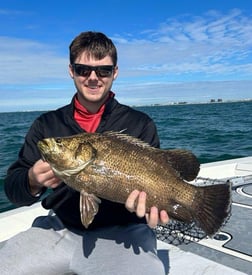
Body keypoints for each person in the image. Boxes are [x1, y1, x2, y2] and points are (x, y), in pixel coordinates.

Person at [1, 31, 169, 275]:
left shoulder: (140, 124)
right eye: (83, 69)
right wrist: (32, 180)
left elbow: (155, 178)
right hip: (59, 227)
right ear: (71, 70)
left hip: (124, 232)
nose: (93, 78)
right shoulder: (46, 125)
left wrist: (154, 206)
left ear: (115, 72)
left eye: (103, 70)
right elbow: (14, 189)